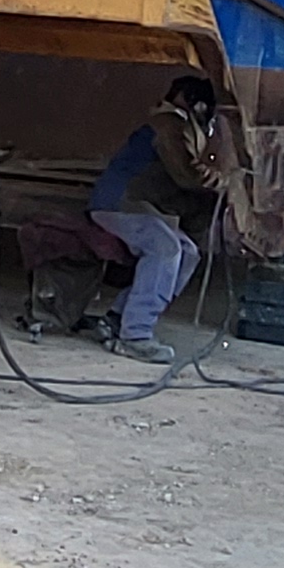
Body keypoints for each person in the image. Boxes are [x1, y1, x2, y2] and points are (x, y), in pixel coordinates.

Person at [88, 73, 228, 365]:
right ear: (197, 105)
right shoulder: (168, 126)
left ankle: (116, 317)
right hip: (117, 206)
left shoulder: (173, 125)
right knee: (165, 249)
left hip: (134, 206)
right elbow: (185, 175)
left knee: (188, 252)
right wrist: (218, 183)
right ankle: (135, 336)